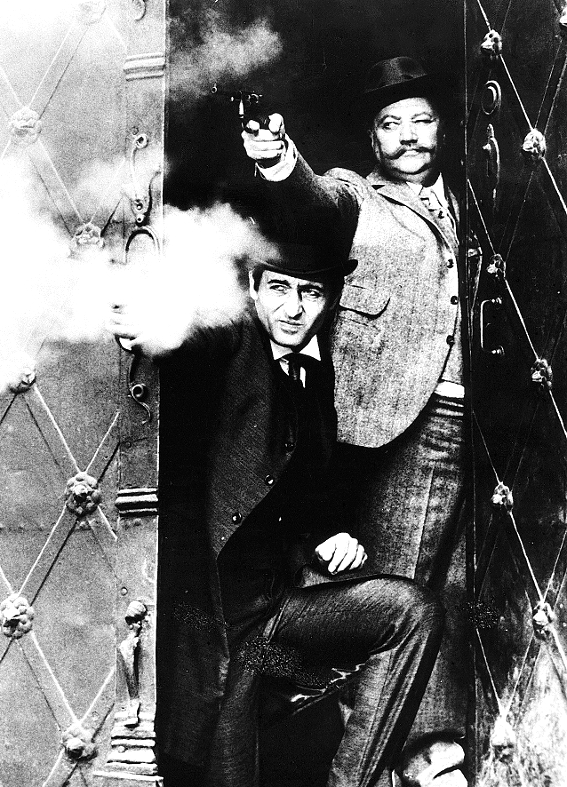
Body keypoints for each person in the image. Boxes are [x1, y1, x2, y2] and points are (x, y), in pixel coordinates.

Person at [107, 239, 444, 787]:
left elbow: (295, 490)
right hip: (213, 633)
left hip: (274, 626)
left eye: (311, 293)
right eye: (279, 289)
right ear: (253, 289)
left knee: (412, 611)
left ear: (332, 299)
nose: (293, 308)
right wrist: (157, 323)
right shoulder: (234, 342)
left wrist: (326, 536)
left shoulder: (315, 375)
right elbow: (197, 336)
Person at [241, 57, 468, 786]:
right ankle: (407, 758)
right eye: (390, 124)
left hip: (486, 421)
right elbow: (312, 204)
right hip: (395, 418)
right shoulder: (356, 194)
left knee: (450, 583)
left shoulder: (475, 199)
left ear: (444, 128)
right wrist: (279, 159)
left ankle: (430, 748)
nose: (408, 136)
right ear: (371, 140)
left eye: (421, 120)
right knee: (398, 590)